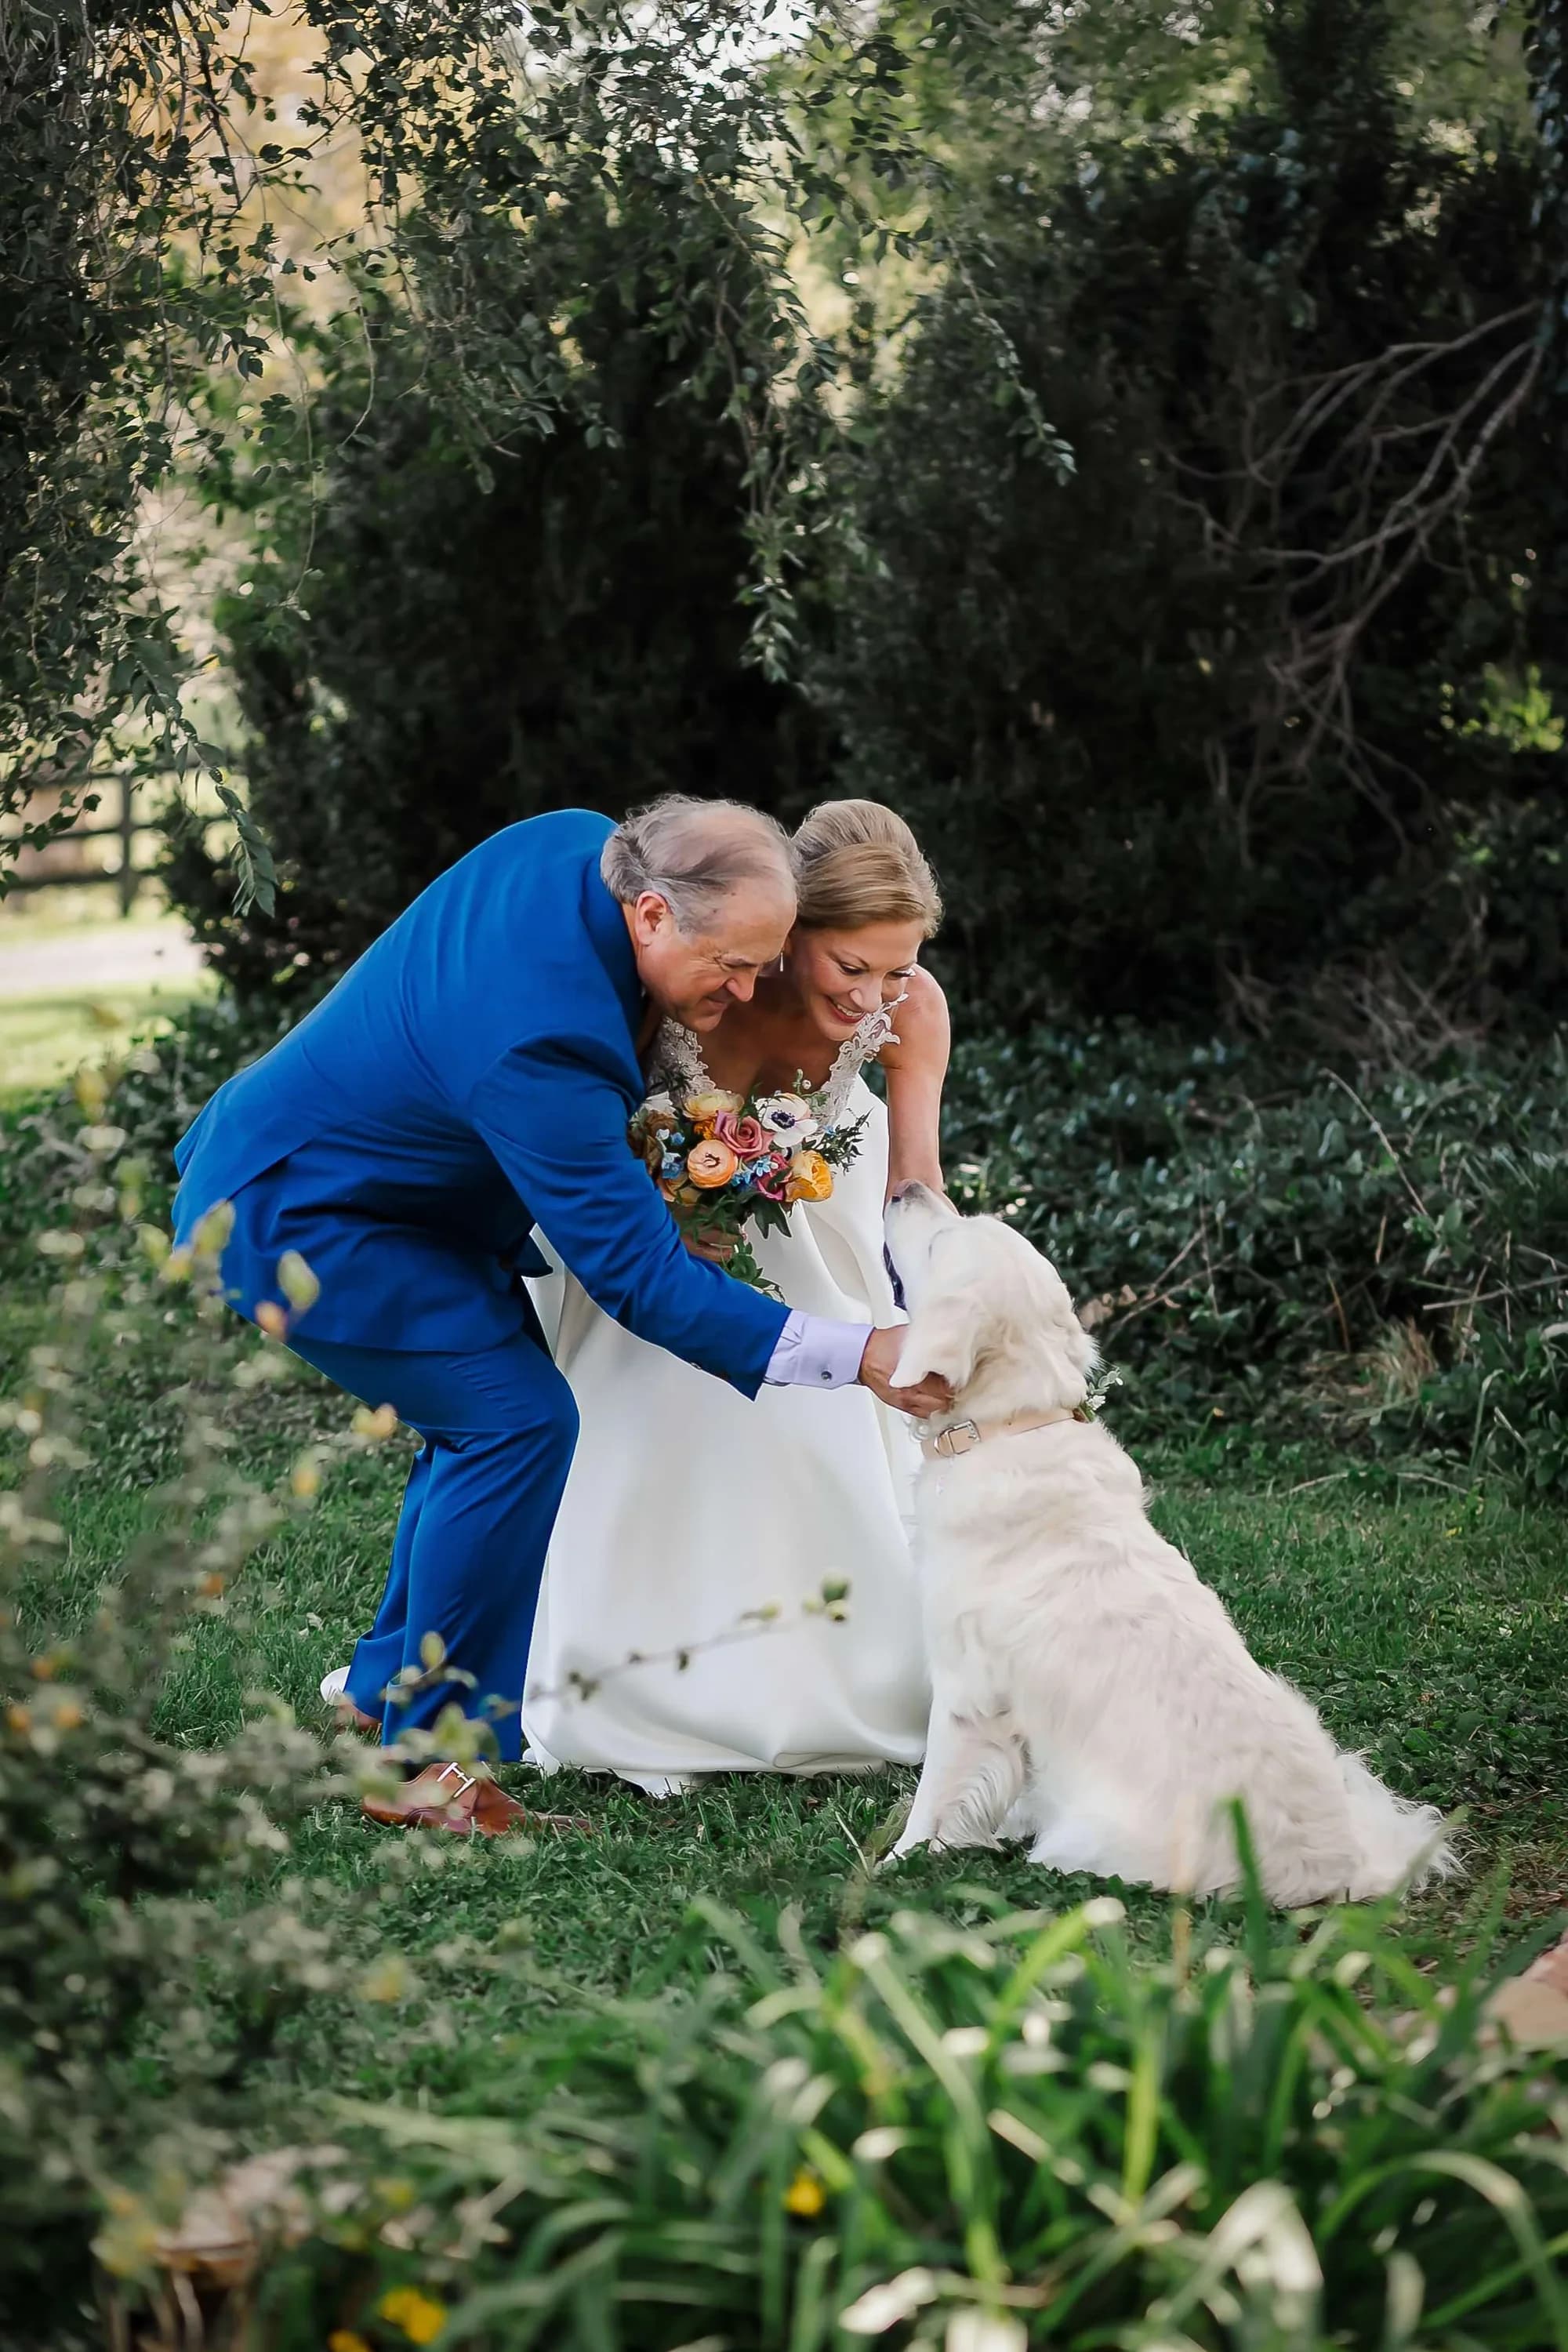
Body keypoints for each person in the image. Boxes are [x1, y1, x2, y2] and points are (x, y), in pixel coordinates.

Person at [170, 800, 949, 1837]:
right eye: (732, 965)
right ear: (652, 917)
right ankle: (429, 1770)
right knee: (513, 1423)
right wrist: (859, 1354)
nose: (749, 988)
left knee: (481, 1424)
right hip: (303, 1220)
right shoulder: (546, 1043)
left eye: (766, 963)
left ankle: (382, 1691)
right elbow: (639, 1280)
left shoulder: (581, 842)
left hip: (394, 1199)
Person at [523, 799, 950, 1791]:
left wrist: (931, 1303)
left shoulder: (907, 1010)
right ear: (792, 931)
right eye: (853, 968)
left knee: (815, 1440)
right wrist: (664, 1217)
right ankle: (622, 1683)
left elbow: (912, 1184)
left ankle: (831, 1679)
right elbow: (593, 1124)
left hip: (811, 1231)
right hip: (648, 1243)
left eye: (898, 968)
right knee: (633, 1428)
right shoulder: (700, 984)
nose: (875, 996)